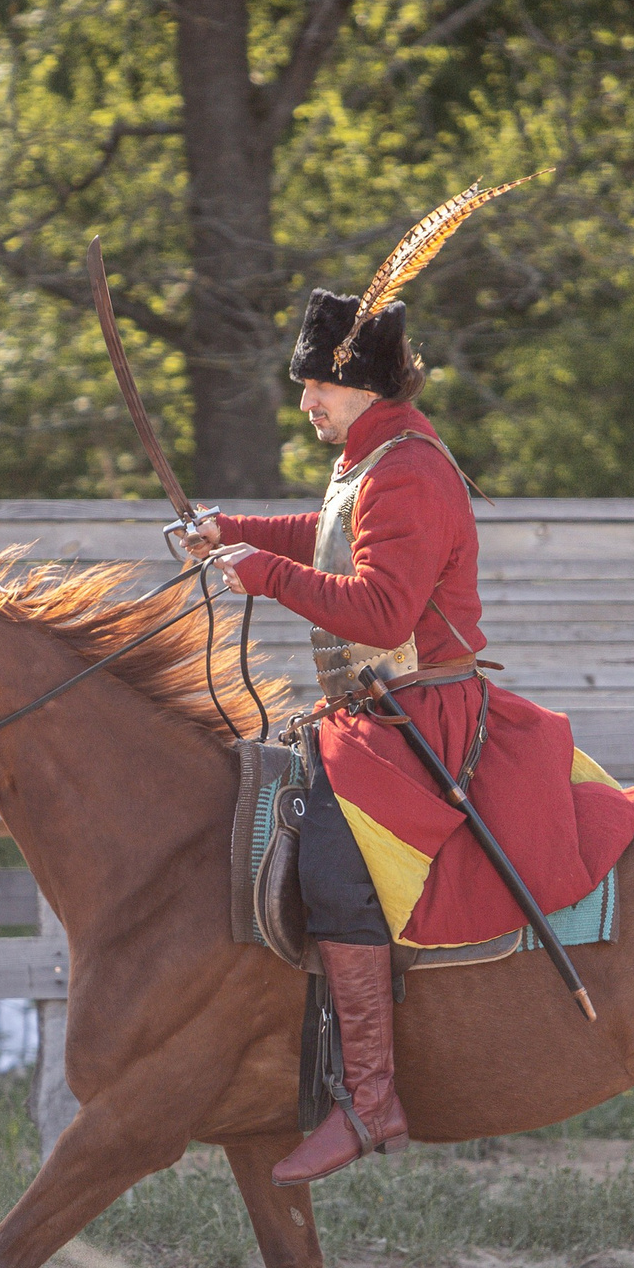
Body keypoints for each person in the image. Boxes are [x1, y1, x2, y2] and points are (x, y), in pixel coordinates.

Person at [182, 283, 487, 1186]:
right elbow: (326, 538)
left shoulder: (406, 469)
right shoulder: (372, 460)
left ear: (362, 385)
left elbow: (383, 604)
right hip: (380, 708)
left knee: (331, 856)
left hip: (421, 716)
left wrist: (262, 573)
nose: (306, 400)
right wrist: (227, 531)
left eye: (316, 384)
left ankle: (370, 1098)